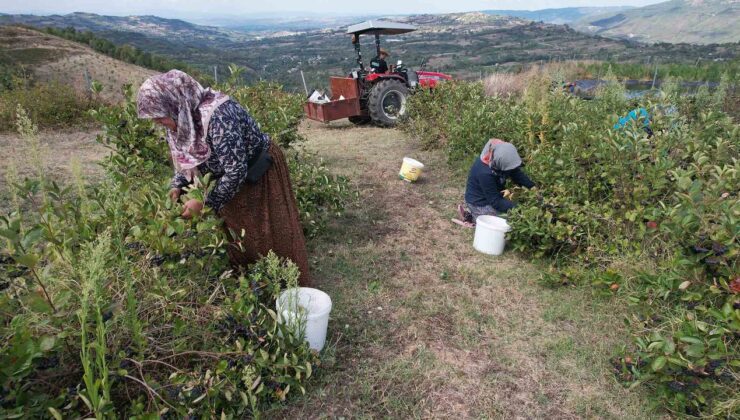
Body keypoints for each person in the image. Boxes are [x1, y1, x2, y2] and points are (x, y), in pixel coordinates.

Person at [136, 70, 311, 286]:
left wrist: (204, 203)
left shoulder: (218, 116)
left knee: (271, 232)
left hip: (259, 173)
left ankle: (289, 287)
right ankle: (255, 287)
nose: (157, 122)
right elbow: (185, 158)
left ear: (175, 104)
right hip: (228, 182)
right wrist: (177, 185)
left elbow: (236, 171)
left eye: (159, 116)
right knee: (241, 236)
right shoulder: (182, 121)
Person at [456, 139, 535, 227]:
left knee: (514, 214)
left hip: (493, 195)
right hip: (480, 203)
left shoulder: (500, 155)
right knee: (509, 221)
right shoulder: (484, 173)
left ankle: (474, 215)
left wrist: (533, 187)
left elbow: (516, 173)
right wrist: (520, 208)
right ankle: (472, 217)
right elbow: (496, 202)